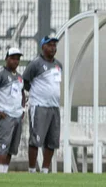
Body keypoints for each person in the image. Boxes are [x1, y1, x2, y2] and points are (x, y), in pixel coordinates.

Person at [22, 36, 63, 174]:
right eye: (50, 45)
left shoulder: (58, 65)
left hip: (54, 107)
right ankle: (32, 170)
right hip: (39, 106)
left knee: (52, 140)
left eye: (54, 45)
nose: (53, 48)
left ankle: (45, 170)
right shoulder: (35, 64)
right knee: (36, 140)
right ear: (43, 47)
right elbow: (25, 82)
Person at [0, 47, 26, 173]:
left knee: (11, 148)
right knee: (3, 145)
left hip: (17, 116)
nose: (15, 61)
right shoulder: (0, 74)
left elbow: (22, 93)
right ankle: (0, 174)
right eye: (12, 58)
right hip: (5, 115)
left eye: (17, 59)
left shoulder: (19, 76)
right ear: (6, 58)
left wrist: (23, 109)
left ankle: (5, 172)